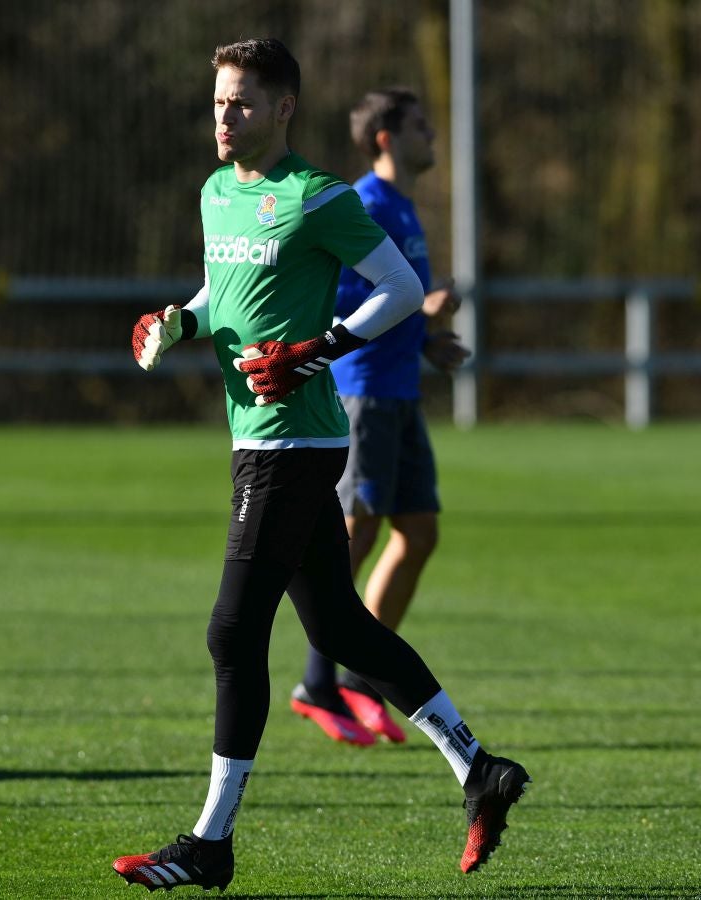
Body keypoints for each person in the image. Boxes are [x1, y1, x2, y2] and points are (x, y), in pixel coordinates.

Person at [112, 39, 528, 892]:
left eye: (243, 105)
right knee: (339, 630)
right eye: (219, 103)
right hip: (255, 438)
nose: (225, 118)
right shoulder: (216, 192)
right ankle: (480, 768)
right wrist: (177, 325)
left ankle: (210, 843)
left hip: (293, 442)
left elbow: (400, 289)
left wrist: (316, 350)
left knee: (232, 632)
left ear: (283, 110)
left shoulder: (317, 197)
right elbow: (216, 297)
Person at [289, 87, 469, 747]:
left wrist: (427, 341)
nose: (433, 137)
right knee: (354, 537)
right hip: (362, 392)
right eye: (422, 126)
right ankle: (317, 682)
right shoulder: (364, 204)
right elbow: (339, 305)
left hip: (401, 392)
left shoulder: (405, 208)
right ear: (387, 138)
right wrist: (421, 315)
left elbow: (395, 306)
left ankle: (364, 677)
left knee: (417, 533)